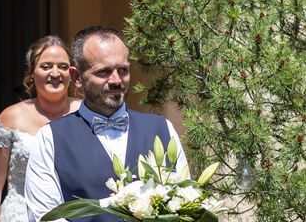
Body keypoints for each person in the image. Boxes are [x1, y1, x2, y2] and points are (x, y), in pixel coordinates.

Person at [25, 26, 188, 222]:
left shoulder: (161, 129)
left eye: (123, 70)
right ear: (77, 77)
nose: (116, 80)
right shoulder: (51, 138)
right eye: (104, 72)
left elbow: (184, 202)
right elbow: (45, 216)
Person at [0, 35, 81, 222]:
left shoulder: (86, 114)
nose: (55, 73)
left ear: (73, 74)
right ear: (32, 73)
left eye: (63, 67)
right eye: (46, 66)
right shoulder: (10, 117)